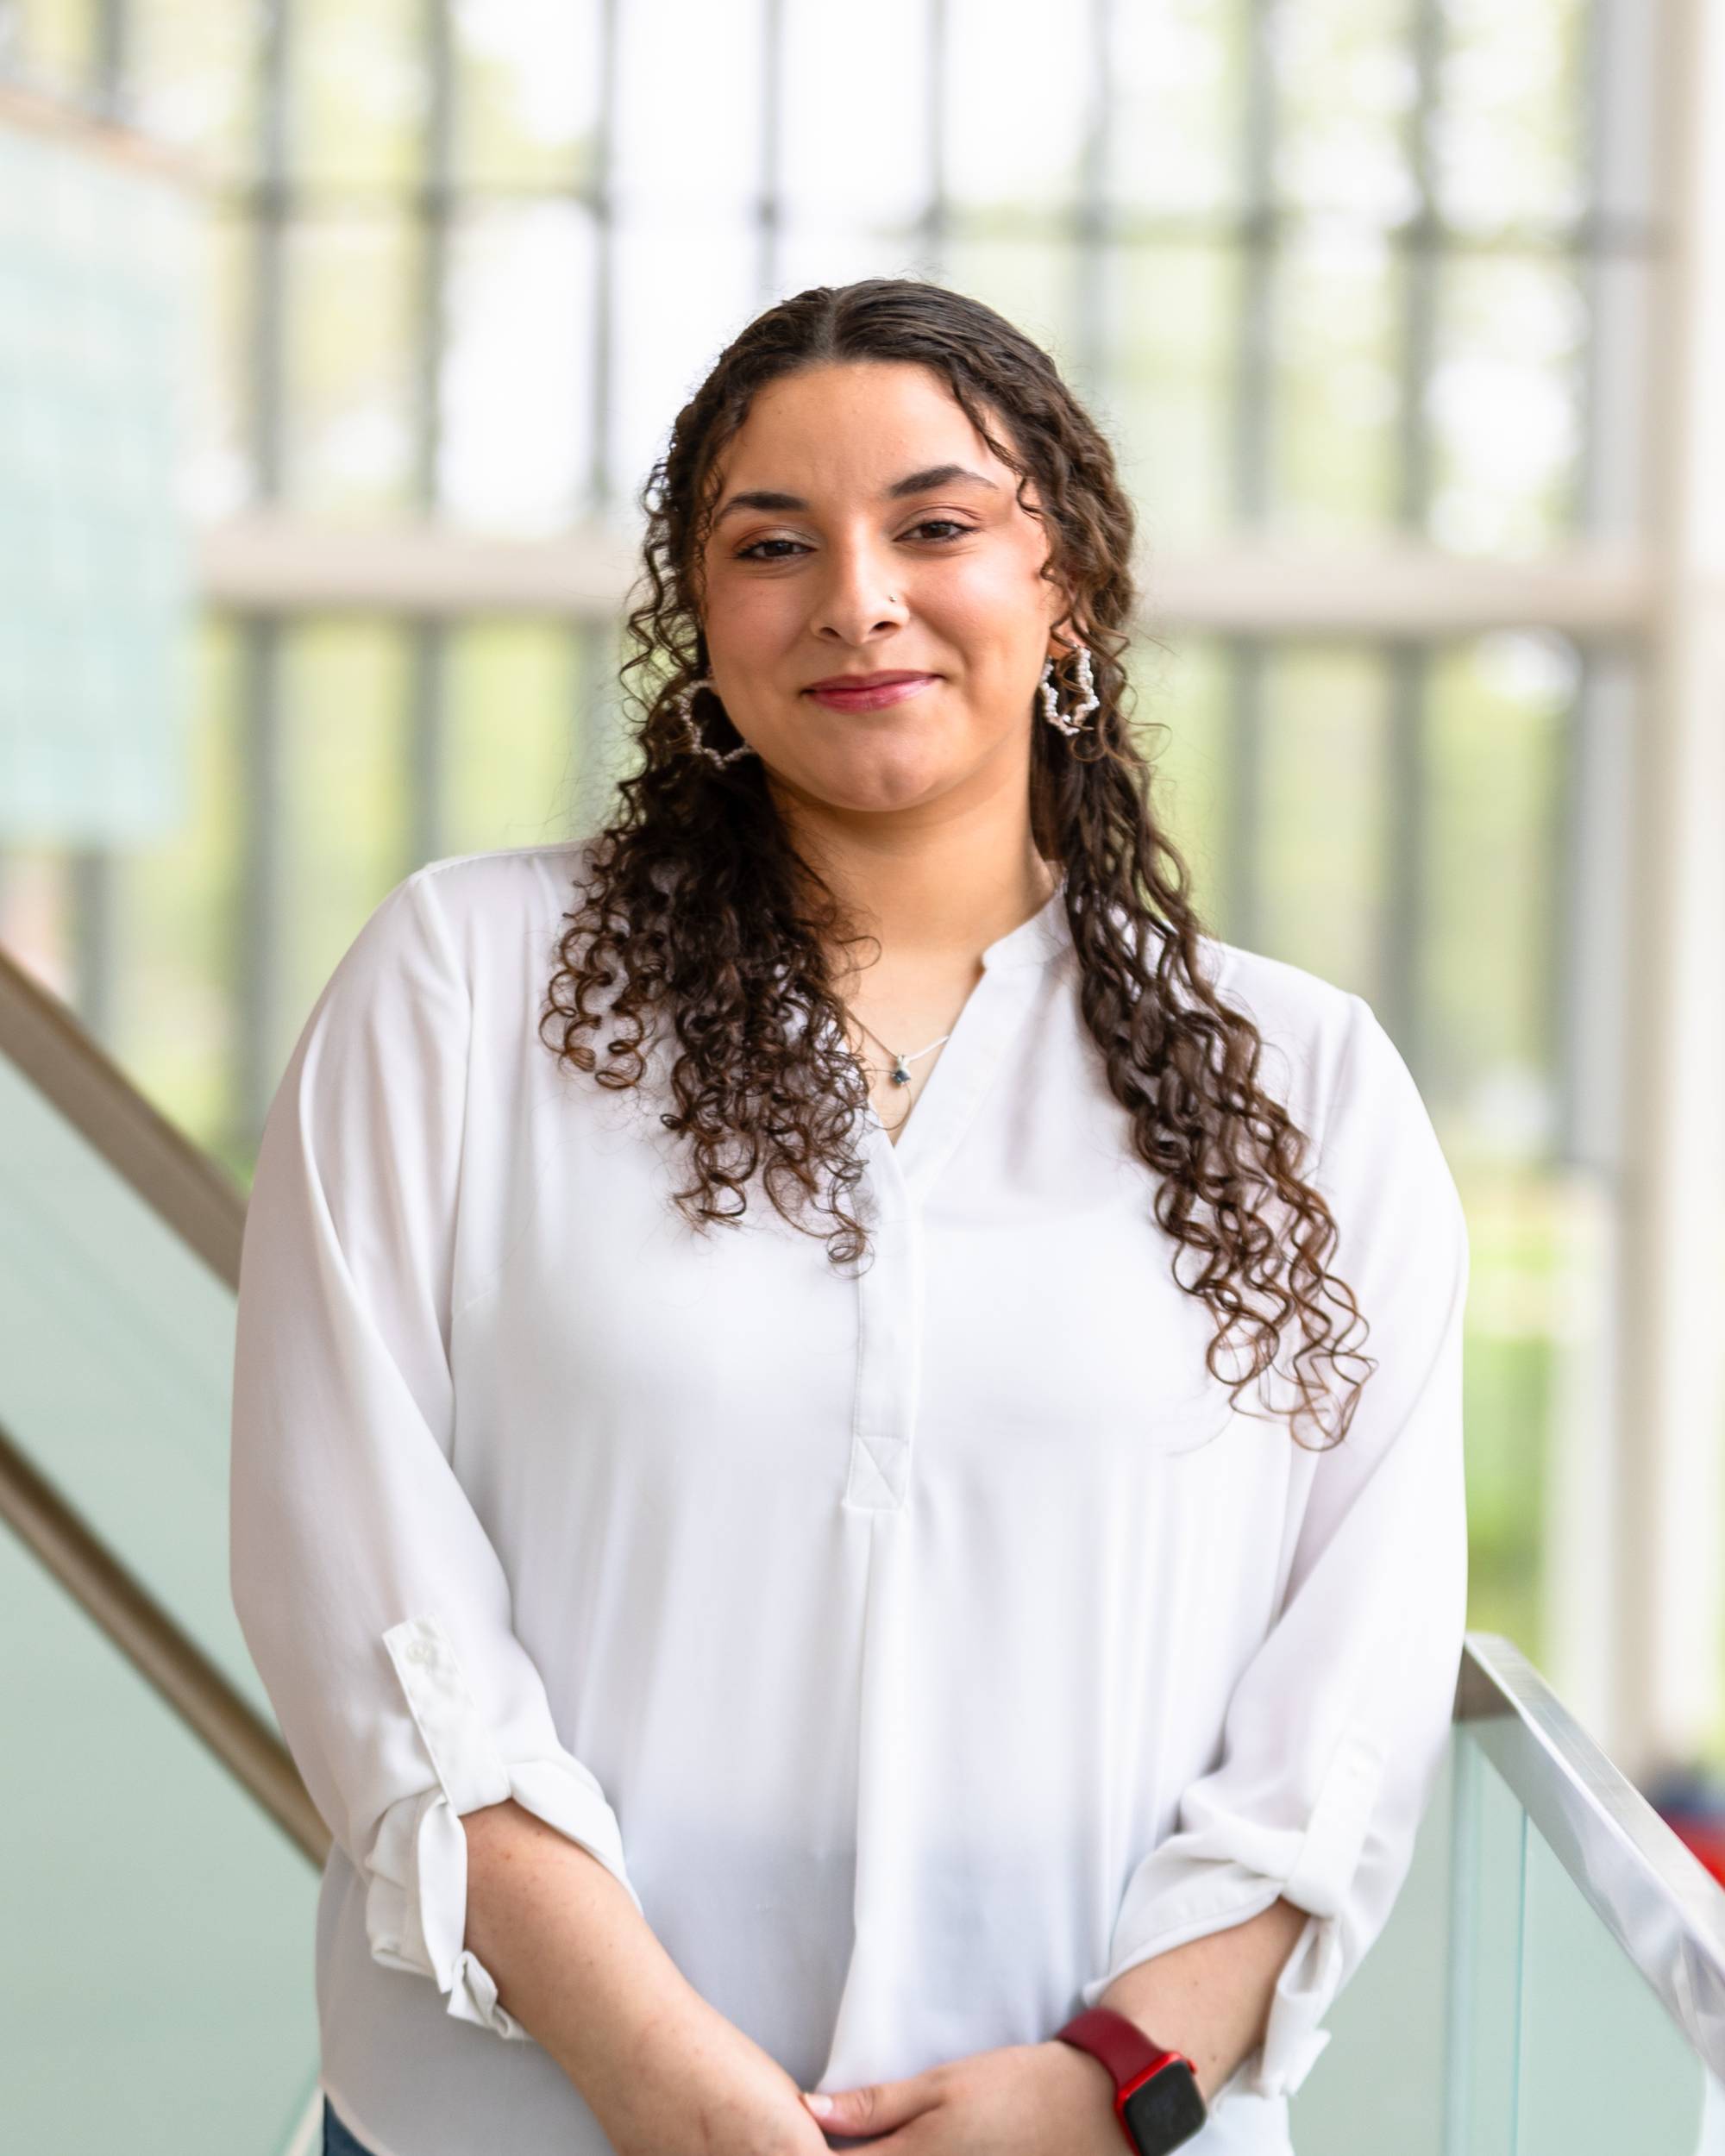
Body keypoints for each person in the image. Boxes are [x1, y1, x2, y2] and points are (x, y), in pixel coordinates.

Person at [229, 276, 1468, 2156]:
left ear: (1067, 585)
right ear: (695, 614)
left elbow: (1356, 1673)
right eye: (769, 542)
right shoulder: (461, 988)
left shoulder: (1305, 1081)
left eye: (938, 524)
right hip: (525, 2118)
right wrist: (648, 2064)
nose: (857, 596)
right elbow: (363, 1589)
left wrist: (1115, 2080)